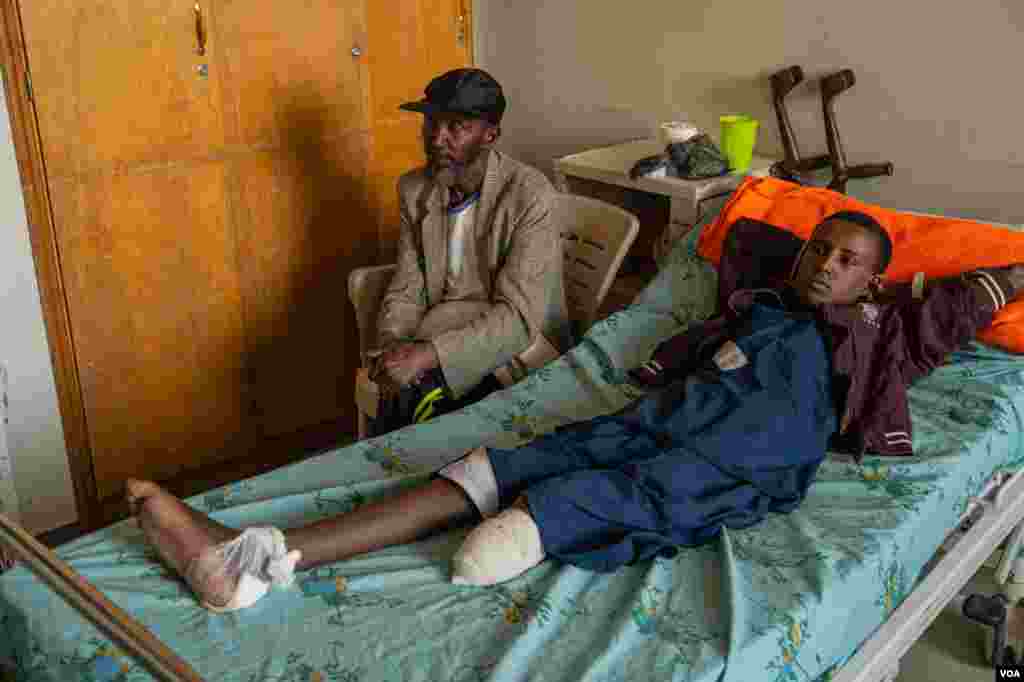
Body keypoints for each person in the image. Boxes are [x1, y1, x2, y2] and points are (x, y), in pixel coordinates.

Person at [126, 211, 1024, 610]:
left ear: (874, 278)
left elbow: (979, 295)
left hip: (750, 452)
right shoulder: (753, 301)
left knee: (637, 486)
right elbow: (746, 232)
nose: (825, 265)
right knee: (502, 462)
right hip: (671, 414)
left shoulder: (885, 331)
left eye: (847, 259)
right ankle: (260, 558)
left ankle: (541, 526)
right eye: (820, 248)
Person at [365, 68, 572, 436]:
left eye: (455, 126)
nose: (436, 139)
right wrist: (393, 343)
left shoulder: (529, 194)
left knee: (429, 410)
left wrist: (426, 356)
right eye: (430, 124)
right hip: (440, 330)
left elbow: (518, 319)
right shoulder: (414, 190)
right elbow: (407, 287)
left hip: (517, 344)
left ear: (490, 134)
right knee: (399, 390)